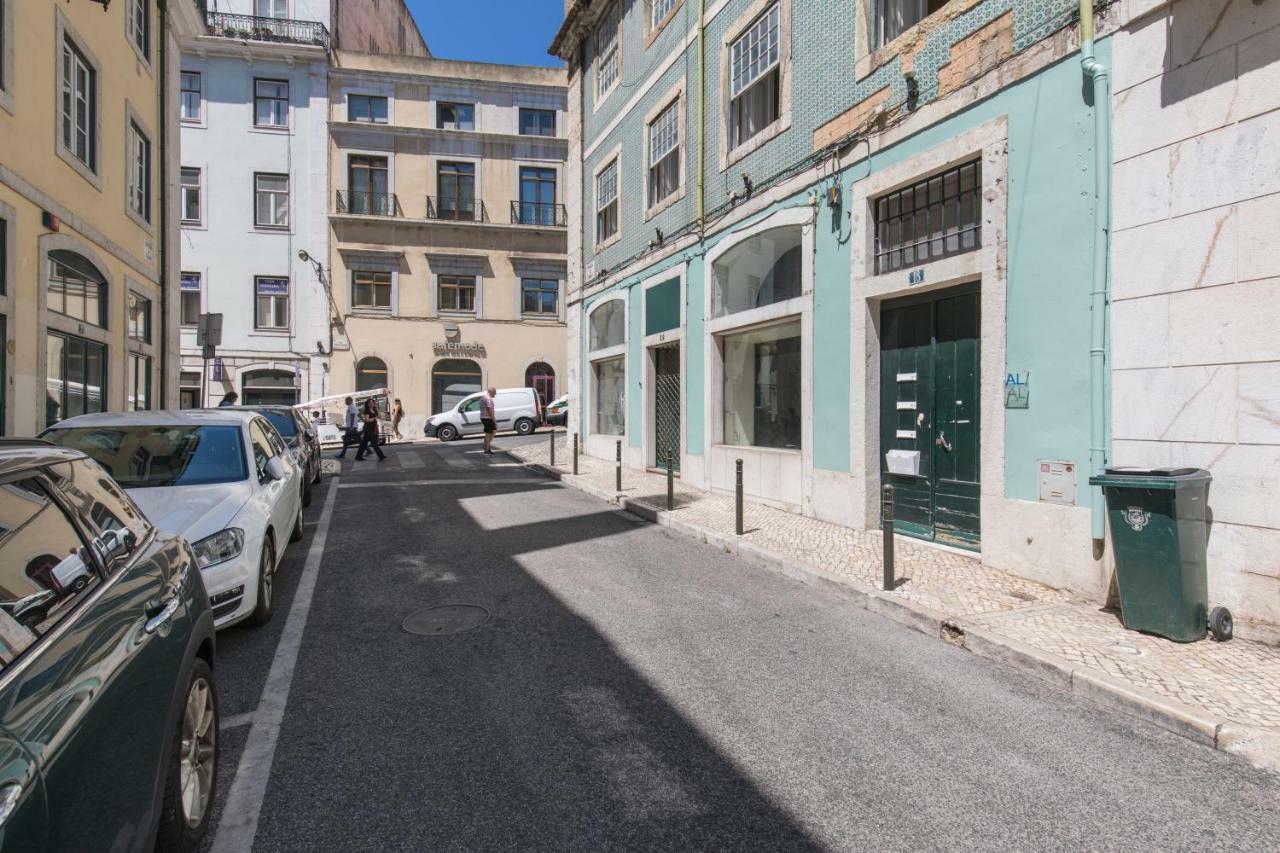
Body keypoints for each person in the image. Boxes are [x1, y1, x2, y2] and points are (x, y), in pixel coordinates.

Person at [355, 397, 386, 461]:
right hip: (368, 428)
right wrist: (373, 419)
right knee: (373, 442)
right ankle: (381, 456)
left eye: (373, 402)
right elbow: (367, 420)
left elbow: (380, 417)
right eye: (370, 402)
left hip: (373, 428)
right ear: (368, 404)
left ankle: (358, 456)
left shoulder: (374, 410)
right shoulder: (367, 410)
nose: (372, 403)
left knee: (364, 443)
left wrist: (377, 409)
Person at [479, 387, 497, 455]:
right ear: (491, 392)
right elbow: (489, 409)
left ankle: (486, 446)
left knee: (488, 433)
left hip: (484, 417)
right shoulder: (488, 398)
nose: (495, 395)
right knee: (491, 432)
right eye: (494, 393)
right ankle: (487, 448)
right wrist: (494, 419)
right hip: (488, 417)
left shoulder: (483, 397)